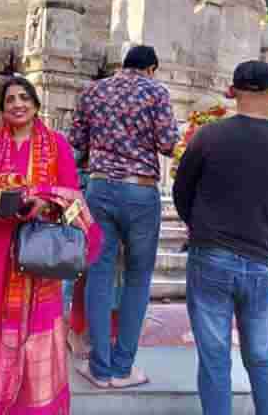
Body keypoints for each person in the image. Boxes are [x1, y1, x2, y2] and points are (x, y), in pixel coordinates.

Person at [0, 77, 102, 414]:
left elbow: (74, 199)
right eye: (10, 99)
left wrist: (47, 203)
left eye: (24, 98)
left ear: (36, 105)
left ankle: (35, 406)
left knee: (40, 328)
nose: (17, 104)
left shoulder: (56, 145)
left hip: (39, 252)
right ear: (2, 108)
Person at [174, 60, 268, 415]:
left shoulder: (209, 136)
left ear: (231, 93)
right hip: (259, 260)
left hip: (211, 257)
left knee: (215, 359)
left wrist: (200, 226)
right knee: (262, 359)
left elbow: (182, 191)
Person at [70, 44, 179, 389]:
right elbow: (167, 143)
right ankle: (122, 368)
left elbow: (77, 141)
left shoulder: (93, 91)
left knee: (99, 275)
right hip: (141, 191)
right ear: (151, 68)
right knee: (137, 278)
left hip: (100, 190)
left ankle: (99, 369)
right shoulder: (156, 91)